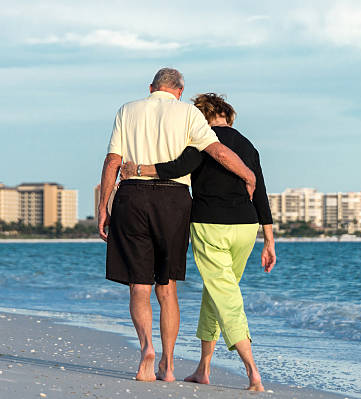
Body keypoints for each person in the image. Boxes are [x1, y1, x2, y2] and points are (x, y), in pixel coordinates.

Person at [98, 69, 257, 383]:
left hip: (132, 196)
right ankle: (168, 366)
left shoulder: (127, 110)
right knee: (167, 288)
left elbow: (112, 161)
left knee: (138, 286)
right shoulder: (188, 113)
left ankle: (146, 350)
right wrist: (249, 176)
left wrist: (103, 206)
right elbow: (219, 152)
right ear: (180, 91)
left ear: (151, 88)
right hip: (174, 200)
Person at [120, 93, 276, 391]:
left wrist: (139, 170)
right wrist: (269, 240)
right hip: (247, 227)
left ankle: (252, 371)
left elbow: (176, 168)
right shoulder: (248, 145)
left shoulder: (202, 141)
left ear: (201, 117)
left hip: (210, 224)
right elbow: (261, 191)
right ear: (228, 116)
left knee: (225, 295)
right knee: (218, 291)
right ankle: (203, 369)